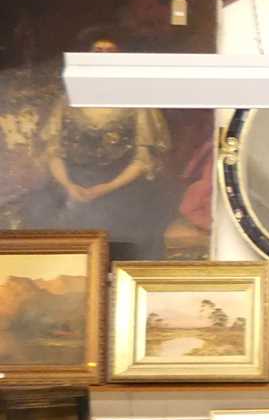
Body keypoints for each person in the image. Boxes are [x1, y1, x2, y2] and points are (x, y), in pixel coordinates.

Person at [33, 27, 171, 258]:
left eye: (110, 51)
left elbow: (143, 158)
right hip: (74, 184)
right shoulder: (67, 101)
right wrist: (68, 186)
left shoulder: (137, 102)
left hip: (123, 185)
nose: (103, 56)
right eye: (98, 50)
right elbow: (53, 150)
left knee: (130, 230)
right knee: (41, 215)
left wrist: (107, 187)